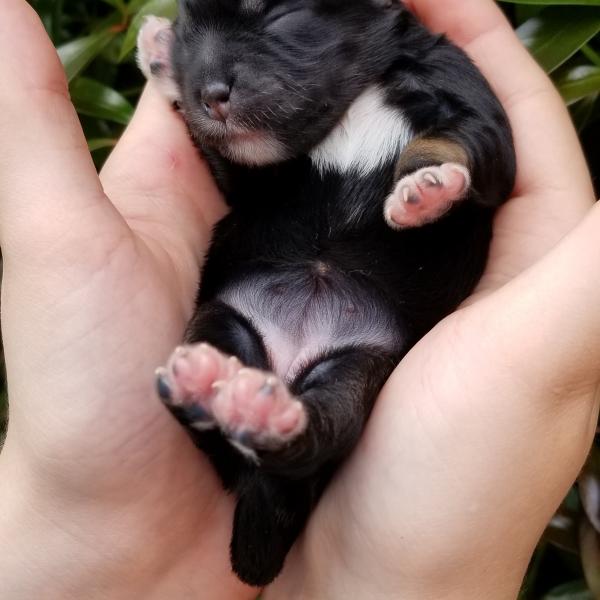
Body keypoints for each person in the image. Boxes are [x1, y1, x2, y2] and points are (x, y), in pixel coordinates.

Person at [0, 0, 597, 597]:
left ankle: (280, 435)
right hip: (250, 301)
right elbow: (242, 184)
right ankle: (246, 424)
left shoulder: (432, 69)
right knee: (219, 337)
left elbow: (487, 146)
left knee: (346, 384)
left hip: (372, 324)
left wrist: (442, 161)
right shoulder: (280, 122)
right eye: (195, 41)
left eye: (277, 21)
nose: (212, 78)